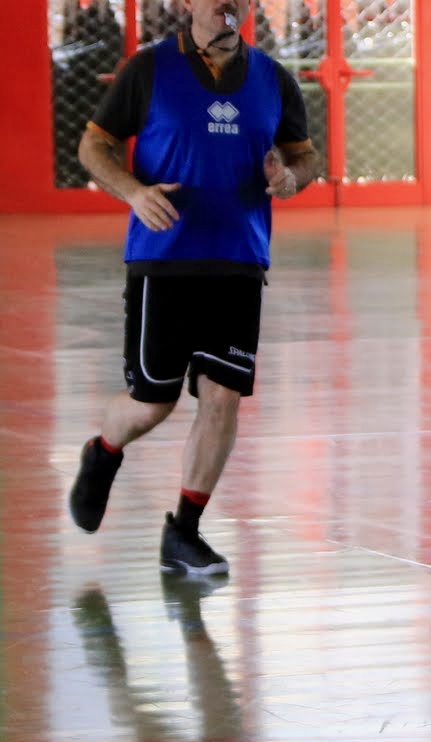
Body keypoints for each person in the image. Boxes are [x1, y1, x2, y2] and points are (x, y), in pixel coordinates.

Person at [68, 0, 324, 576]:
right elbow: (94, 146)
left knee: (223, 397)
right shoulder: (149, 68)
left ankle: (184, 531)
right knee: (151, 404)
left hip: (239, 262)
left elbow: (306, 157)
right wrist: (134, 192)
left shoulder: (273, 79)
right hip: (164, 262)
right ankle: (103, 452)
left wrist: (291, 177)